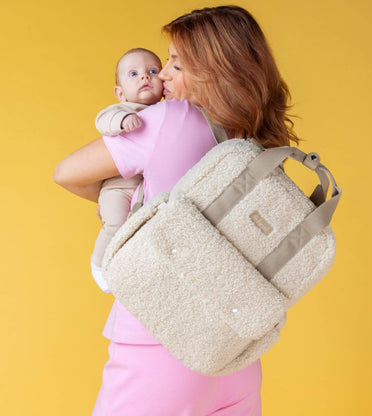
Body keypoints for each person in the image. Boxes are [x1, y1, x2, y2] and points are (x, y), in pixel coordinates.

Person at [54, 5, 299, 415]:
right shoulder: (256, 135)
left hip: (159, 341)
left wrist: (124, 204)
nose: (162, 74)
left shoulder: (169, 119)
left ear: (213, 69)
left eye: (176, 63)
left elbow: (67, 173)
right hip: (234, 350)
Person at [91, 48, 164, 293]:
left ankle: (128, 271)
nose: (145, 77)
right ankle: (99, 266)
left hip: (144, 192)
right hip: (117, 188)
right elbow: (102, 119)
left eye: (153, 72)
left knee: (138, 236)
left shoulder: (165, 111)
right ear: (120, 93)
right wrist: (122, 121)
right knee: (114, 226)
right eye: (134, 74)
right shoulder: (123, 110)